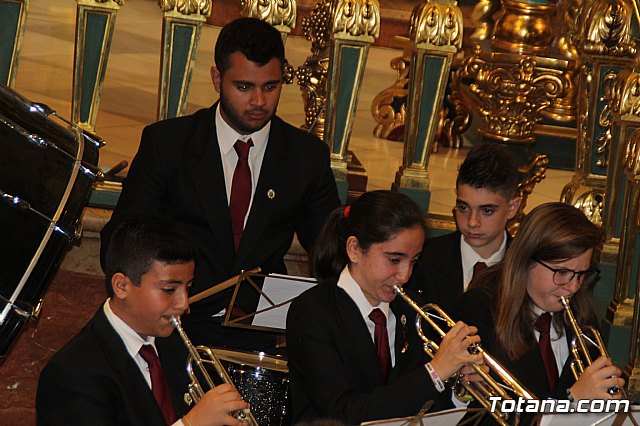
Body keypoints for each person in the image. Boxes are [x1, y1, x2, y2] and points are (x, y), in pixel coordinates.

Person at [99, 17, 340, 351]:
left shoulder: (306, 156)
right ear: (217, 78)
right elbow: (120, 239)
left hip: (257, 337)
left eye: (270, 87)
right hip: (173, 329)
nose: (258, 101)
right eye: (243, 87)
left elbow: (331, 253)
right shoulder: (168, 144)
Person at [286, 191, 485, 425]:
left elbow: (421, 406)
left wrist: (460, 391)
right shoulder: (313, 311)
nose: (405, 275)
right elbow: (342, 413)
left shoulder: (414, 310)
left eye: (414, 261)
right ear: (354, 249)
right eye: (394, 259)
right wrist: (435, 372)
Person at [36, 217, 249, 426]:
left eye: (188, 288)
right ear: (121, 286)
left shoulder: (177, 348)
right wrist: (191, 423)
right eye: (169, 290)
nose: (184, 304)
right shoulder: (73, 373)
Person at [454, 203, 625, 416]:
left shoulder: (582, 317)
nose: (573, 287)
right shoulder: (480, 310)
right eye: (562, 272)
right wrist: (571, 399)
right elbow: (492, 414)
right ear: (527, 260)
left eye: (581, 274)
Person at [407, 143, 521, 311]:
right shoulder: (424, 259)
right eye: (463, 208)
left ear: (512, 208)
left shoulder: (525, 267)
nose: (472, 222)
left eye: (487, 210)